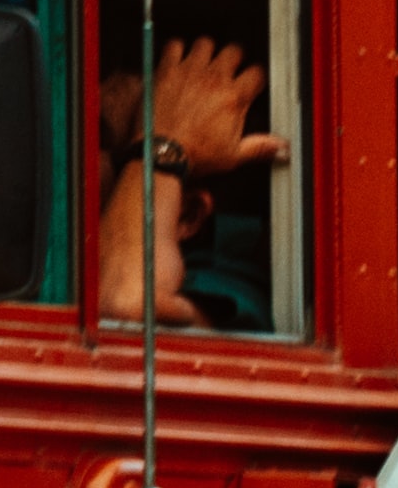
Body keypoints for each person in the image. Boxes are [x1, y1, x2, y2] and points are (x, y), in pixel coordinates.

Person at [94, 28, 285, 325]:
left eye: (100, 140)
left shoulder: (227, 289)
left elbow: (124, 302)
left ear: (187, 215)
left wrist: (166, 143)